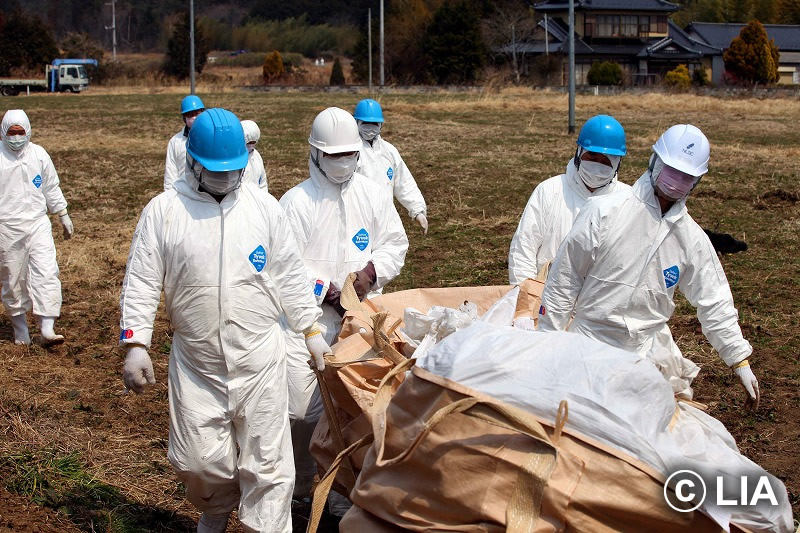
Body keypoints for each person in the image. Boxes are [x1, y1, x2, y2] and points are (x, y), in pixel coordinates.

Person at [119, 108, 330, 533]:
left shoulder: (264, 209)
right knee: (199, 461)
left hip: (260, 359)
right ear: (192, 162)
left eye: (233, 171)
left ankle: (265, 526)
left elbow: (289, 274)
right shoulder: (164, 212)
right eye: (215, 171)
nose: (224, 178)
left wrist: (311, 330)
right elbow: (141, 277)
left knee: (269, 465)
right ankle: (215, 510)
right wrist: (136, 341)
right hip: (198, 366)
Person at [538, 124, 759, 407]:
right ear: (654, 161)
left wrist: (739, 359)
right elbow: (563, 282)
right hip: (589, 344)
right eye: (671, 169)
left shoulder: (690, 239)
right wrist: (547, 344)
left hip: (646, 354)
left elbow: (713, 299)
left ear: (697, 181)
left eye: (686, 176)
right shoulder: (605, 211)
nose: (676, 180)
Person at [279, 107, 408, 508]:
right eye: (334, 156)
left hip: (362, 321)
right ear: (316, 154)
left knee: (356, 407)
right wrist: (325, 291)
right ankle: (301, 483)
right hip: (307, 324)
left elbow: (395, 243)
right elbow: (285, 266)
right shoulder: (295, 203)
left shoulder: (371, 194)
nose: (343, 163)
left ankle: (341, 487)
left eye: (349, 155)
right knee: (300, 412)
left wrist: (372, 271)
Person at [508, 114, 628, 286]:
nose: (597, 165)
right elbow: (523, 248)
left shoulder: (627, 200)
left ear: (618, 163)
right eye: (592, 156)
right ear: (579, 153)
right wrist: (525, 298)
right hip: (546, 298)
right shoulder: (550, 191)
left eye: (606, 161)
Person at [0, 109, 73, 345]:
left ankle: (47, 328)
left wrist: (62, 213)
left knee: (47, 271)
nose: (16, 137)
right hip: (7, 226)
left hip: (38, 222)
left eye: (21, 132)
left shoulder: (38, 154)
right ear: (4, 132)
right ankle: (20, 329)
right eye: (12, 132)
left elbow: (51, 186)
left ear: (28, 131)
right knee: (12, 277)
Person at [353, 99, 429, 234]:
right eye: (365, 123)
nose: (370, 128)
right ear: (356, 123)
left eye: (374, 124)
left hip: (385, 218)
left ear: (381, 125)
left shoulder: (389, 151)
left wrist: (417, 210)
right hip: (356, 219)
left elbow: (404, 182)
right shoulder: (349, 151)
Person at [163, 94, 205, 191]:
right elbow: (170, 174)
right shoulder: (175, 142)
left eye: (197, 113)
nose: (194, 117)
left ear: (203, 112)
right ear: (184, 118)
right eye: (190, 115)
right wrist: (169, 198)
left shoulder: (214, 136)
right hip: (184, 194)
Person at [241, 119, 268, 191]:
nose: (251, 146)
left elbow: (263, 182)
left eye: (253, 143)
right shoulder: (235, 159)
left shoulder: (256, 156)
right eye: (248, 143)